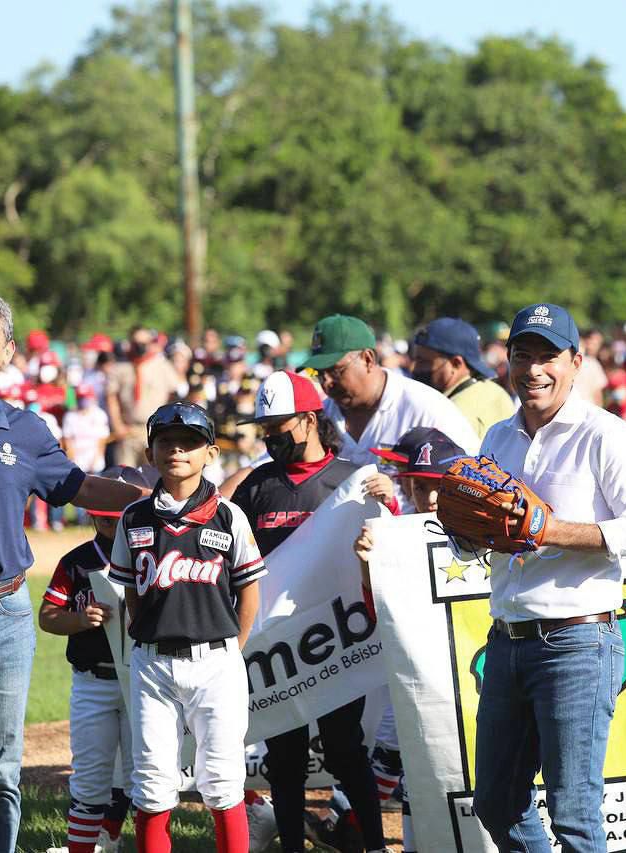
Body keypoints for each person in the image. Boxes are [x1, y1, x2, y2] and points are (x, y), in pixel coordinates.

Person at [0, 286, 148, 853]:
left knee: (0, 778)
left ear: (8, 352)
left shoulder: (29, 430)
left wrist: (164, 496)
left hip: (8, 616)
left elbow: (80, 487)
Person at [470, 302, 626, 852]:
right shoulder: (496, 439)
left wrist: (551, 530)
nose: (533, 369)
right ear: (505, 361)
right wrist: (466, 531)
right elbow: (488, 534)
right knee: (496, 802)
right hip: (508, 639)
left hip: (577, 639)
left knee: (574, 811)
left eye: (548, 356)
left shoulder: (608, 435)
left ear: (576, 362)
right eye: (521, 355)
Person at [229, 370, 386, 853]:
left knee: (345, 751)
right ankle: (293, 845)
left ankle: (374, 843)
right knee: (285, 754)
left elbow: (386, 555)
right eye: (266, 427)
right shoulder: (256, 487)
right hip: (277, 646)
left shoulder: (351, 481)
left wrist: (387, 505)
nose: (272, 435)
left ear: (311, 419)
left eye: (281, 424)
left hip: (336, 640)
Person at [108, 403, 267, 853]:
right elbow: (129, 592)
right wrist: (143, 634)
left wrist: (232, 648)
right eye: (165, 441)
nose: (177, 449)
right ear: (150, 451)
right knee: (153, 783)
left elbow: (249, 590)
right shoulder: (134, 517)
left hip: (215, 661)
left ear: (211, 453)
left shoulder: (227, 515)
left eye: (190, 442)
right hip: (153, 664)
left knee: (221, 780)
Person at [355, 425, 470, 853]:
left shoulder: (486, 533)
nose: (431, 498)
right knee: (416, 769)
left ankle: (344, 820)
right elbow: (379, 613)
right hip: (421, 679)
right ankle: (358, 827)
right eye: (421, 487)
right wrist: (370, 566)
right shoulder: (403, 535)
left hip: (472, 678)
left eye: (439, 486)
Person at [41, 465, 153, 853]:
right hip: (94, 681)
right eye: (104, 516)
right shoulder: (77, 560)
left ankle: (120, 837)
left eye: (117, 517)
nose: (111, 524)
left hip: (143, 677)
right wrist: (78, 618)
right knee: (90, 778)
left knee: (146, 780)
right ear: (91, 512)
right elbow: (47, 616)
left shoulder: (152, 552)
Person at [303, 314, 479, 507]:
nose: (327, 383)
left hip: (416, 533)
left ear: (368, 359)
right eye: (319, 374)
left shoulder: (425, 407)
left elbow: (472, 478)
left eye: (335, 370)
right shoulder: (318, 416)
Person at [410, 317, 515, 439]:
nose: (415, 368)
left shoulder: (451, 414)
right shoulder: (495, 391)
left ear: (456, 363)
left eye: (424, 362)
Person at [105, 327, 180, 467]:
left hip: (155, 432)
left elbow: (174, 395)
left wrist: (168, 424)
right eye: (136, 343)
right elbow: (111, 397)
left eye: (144, 343)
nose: (140, 347)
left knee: (155, 478)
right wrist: (117, 425)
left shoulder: (162, 366)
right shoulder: (120, 367)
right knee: (125, 480)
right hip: (129, 431)